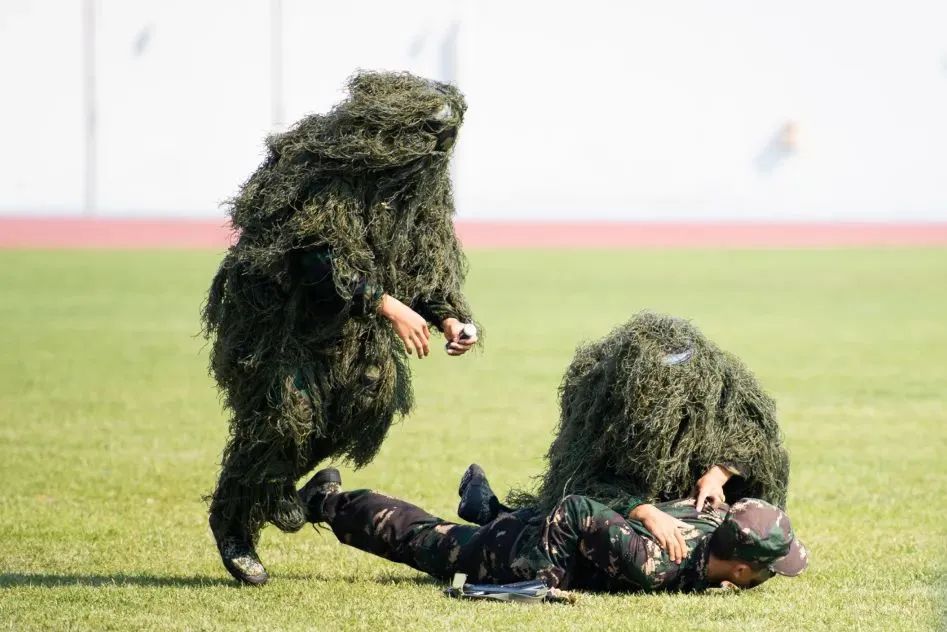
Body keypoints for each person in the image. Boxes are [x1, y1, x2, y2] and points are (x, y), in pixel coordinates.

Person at [202, 71, 478, 585]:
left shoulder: (417, 187)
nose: (430, 155)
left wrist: (449, 318)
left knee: (368, 402)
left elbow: (424, 265)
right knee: (285, 416)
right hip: (276, 317)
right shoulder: (324, 169)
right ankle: (234, 522)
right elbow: (314, 262)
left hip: (348, 323)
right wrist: (387, 305)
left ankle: (278, 487)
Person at [298, 466, 808, 594]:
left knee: (444, 532)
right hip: (519, 550)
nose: (770, 576)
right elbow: (579, 509)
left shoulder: (714, 516)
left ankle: (487, 507)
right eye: (768, 570)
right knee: (424, 539)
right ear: (741, 569)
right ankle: (326, 500)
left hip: (548, 531)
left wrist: (717, 476)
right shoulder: (658, 564)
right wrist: (540, 585)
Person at [504, 312, 790, 523]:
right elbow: (578, 484)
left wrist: (717, 475)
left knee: (772, 460)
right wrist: (640, 510)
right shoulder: (599, 402)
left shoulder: (716, 384)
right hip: (625, 510)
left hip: (691, 502)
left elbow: (755, 435)